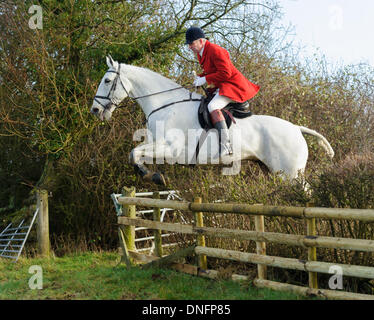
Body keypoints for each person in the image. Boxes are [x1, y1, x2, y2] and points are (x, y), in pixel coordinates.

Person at [185, 26, 260, 157]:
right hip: (222, 85)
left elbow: (226, 73)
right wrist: (201, 77)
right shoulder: (201, 53)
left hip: (233, 86)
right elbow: (212, 70)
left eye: (191, 43)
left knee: (212, 106)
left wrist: (205, 79)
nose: (189, 47)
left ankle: (226, 145)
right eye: (188, 44)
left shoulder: (215, 50)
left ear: (201, 41)